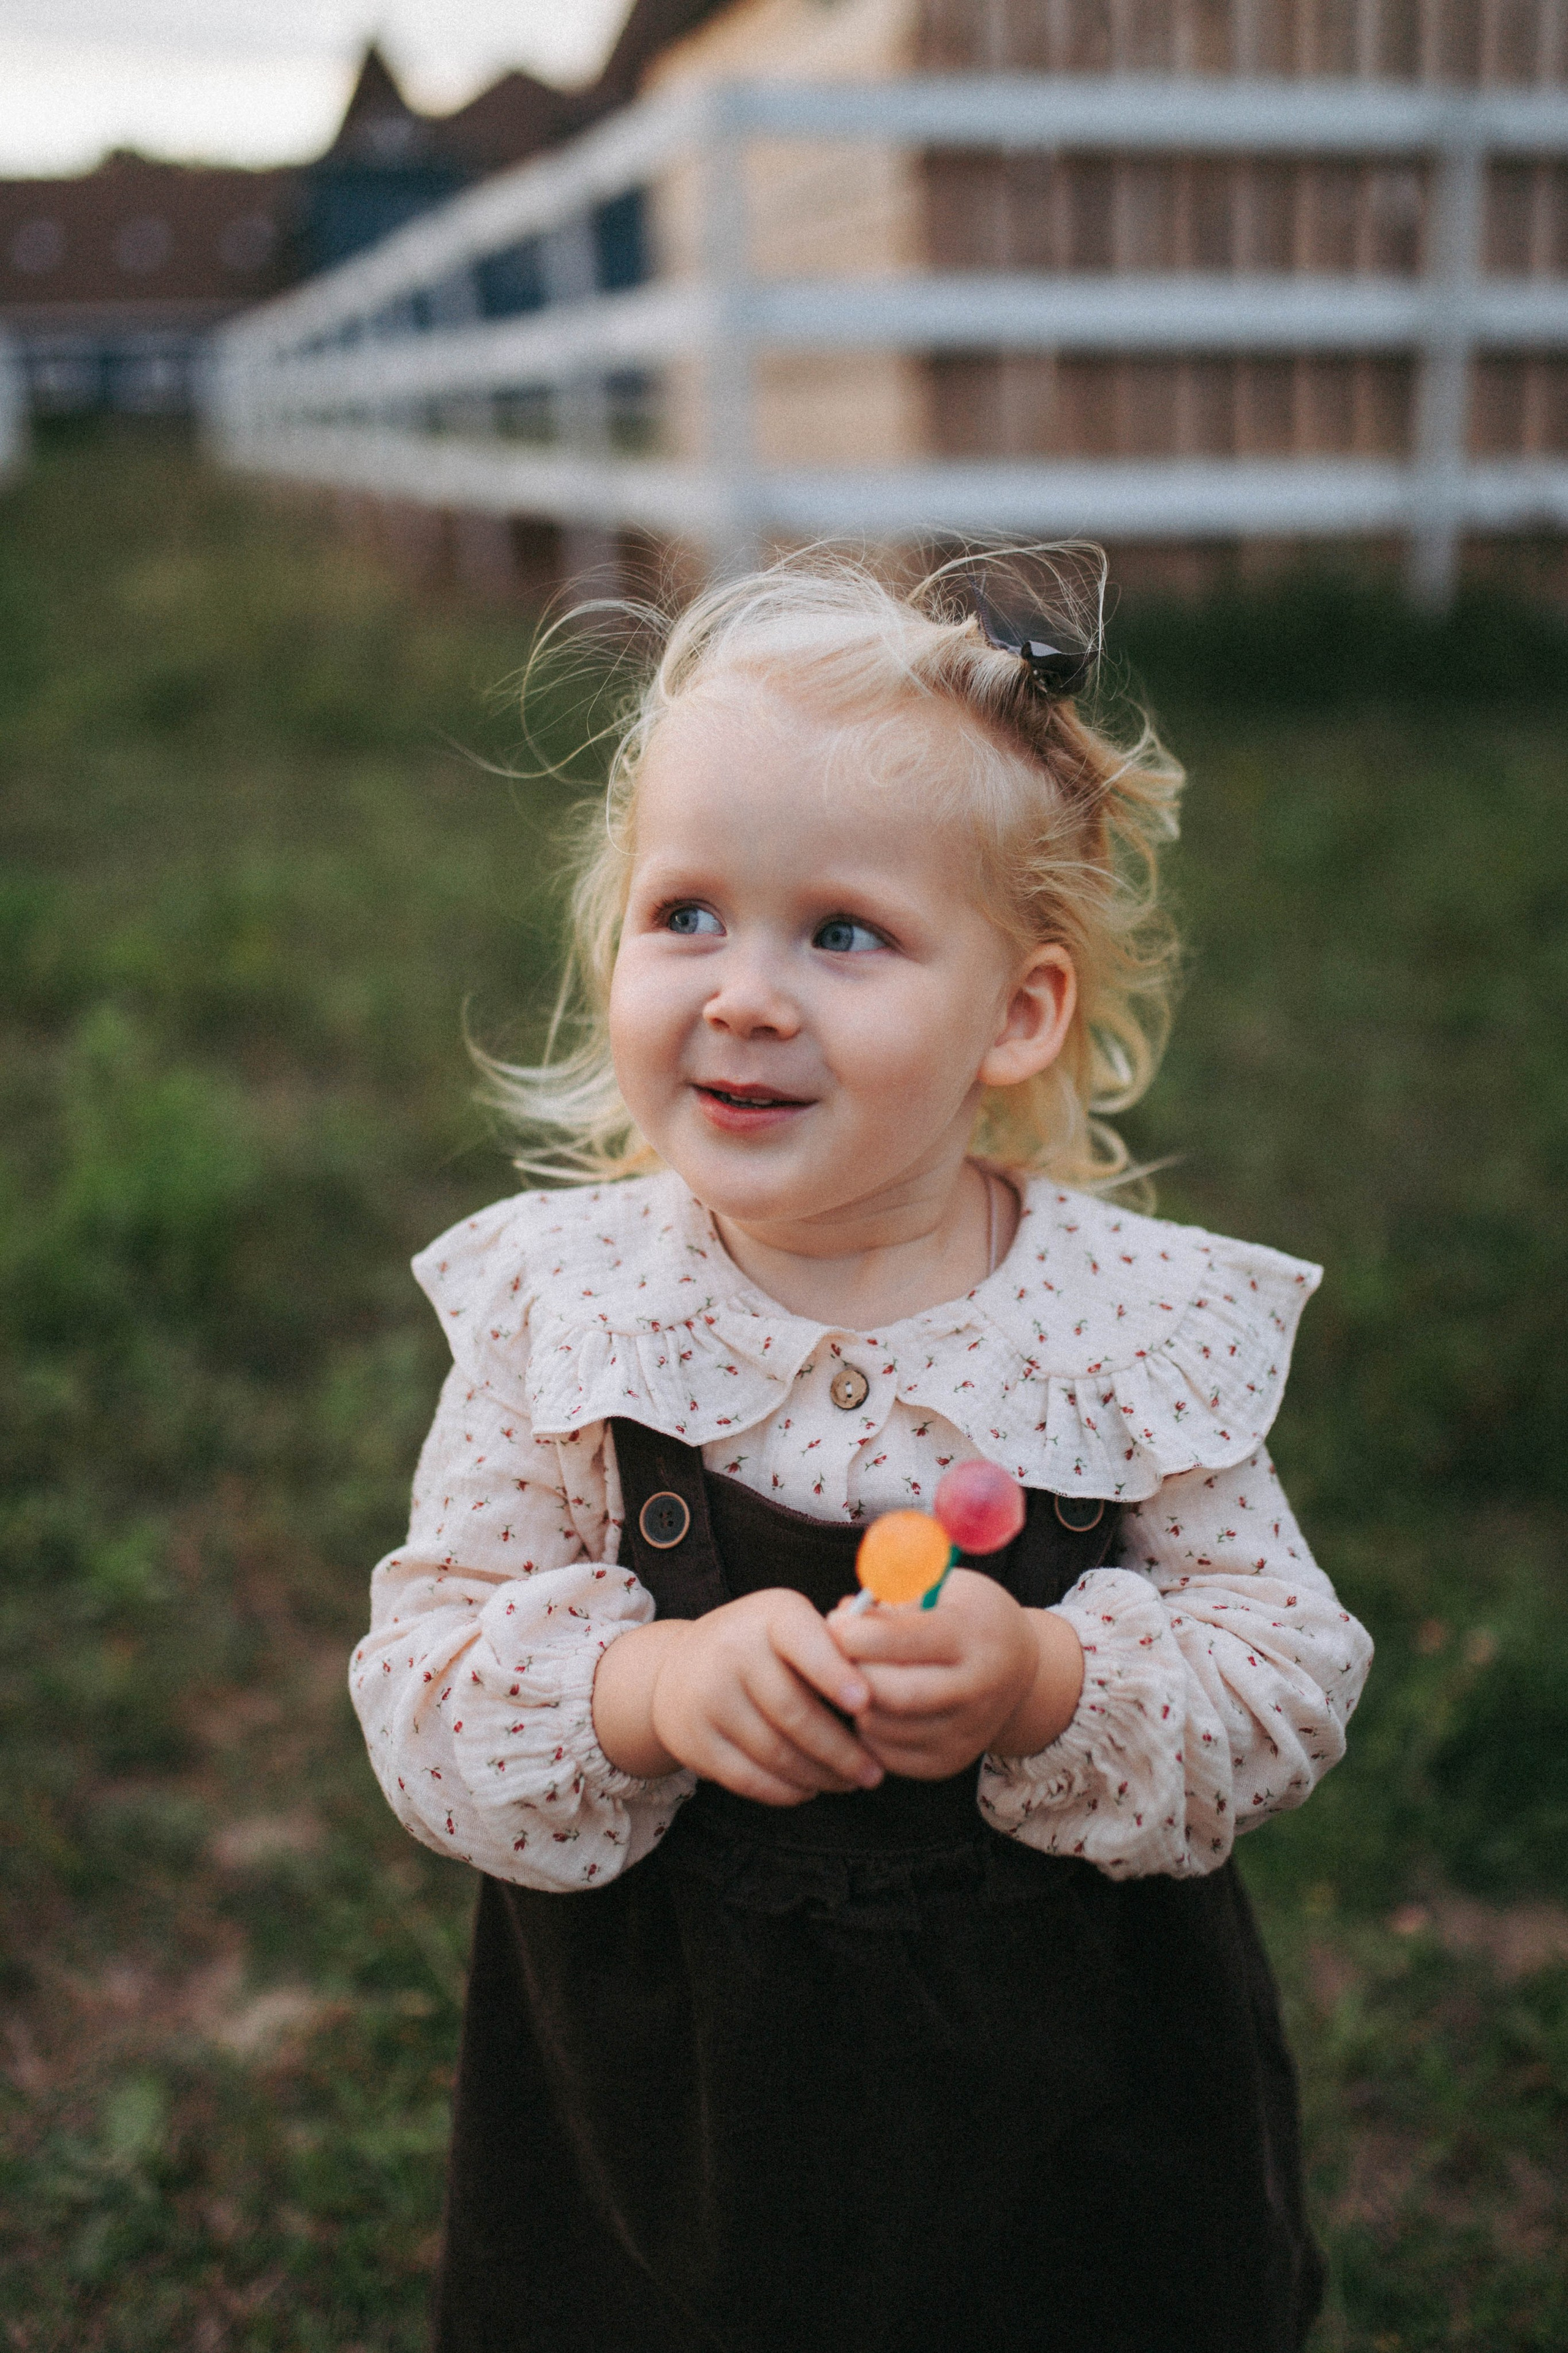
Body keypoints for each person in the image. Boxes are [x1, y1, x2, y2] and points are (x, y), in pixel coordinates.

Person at [350, 550, 1373, 2353]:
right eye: (686, 915)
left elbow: (1283, 1678)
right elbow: (426, 1690)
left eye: (841, 931)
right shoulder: (570, 1326)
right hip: (670, 2122)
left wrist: (1052, 1677)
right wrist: (646, 1685)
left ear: (1018, 1012)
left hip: (1068, 2108)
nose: (744, 992)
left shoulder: (1120, 1339)